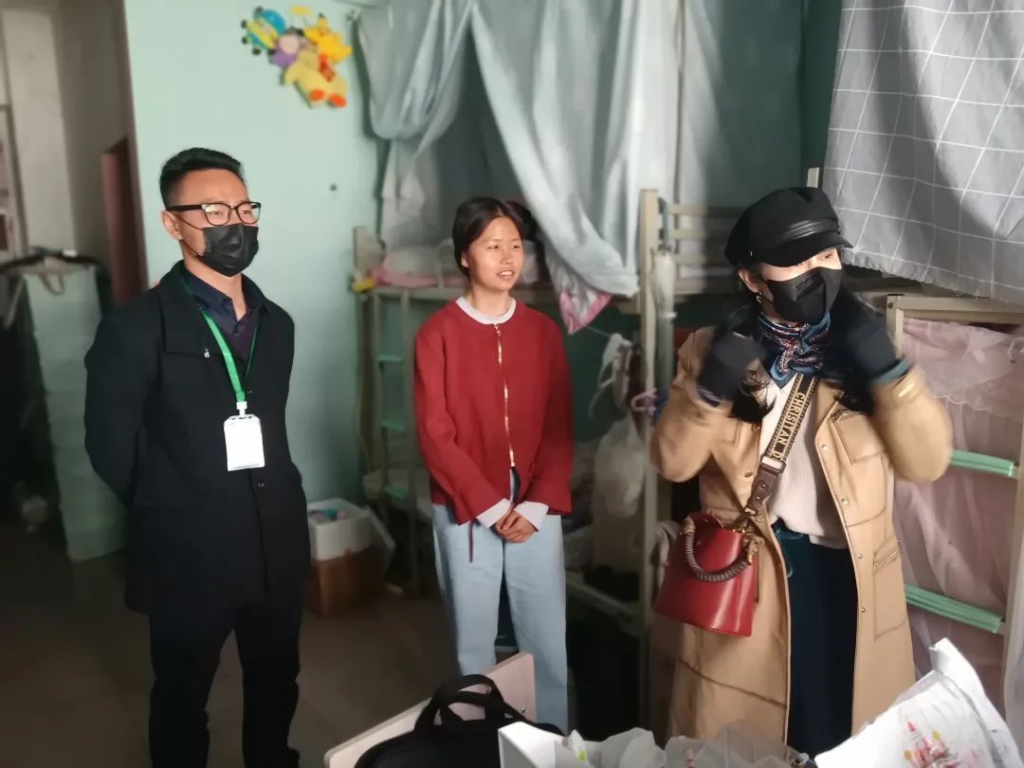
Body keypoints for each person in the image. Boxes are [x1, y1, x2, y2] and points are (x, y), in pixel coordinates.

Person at [649, 187, 952, 756]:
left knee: (842, 734)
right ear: (753, 278)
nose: (818, 271)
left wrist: (891, 375)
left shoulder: (866, 344)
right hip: (752, 575)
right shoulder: (711, 350)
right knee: (750, 744)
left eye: (828, 255)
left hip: (851, 579)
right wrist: (709, 391)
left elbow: (928, 461)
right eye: (796, 261)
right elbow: (673, 462)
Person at [84, 148, 308, 768]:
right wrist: (174, 505)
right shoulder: (135, 330)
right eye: (212, 210)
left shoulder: (278, 325)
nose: (234, 222)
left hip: (275, 540)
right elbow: (109, 447)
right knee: (183, 696)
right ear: (173, 224)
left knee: (277, 678)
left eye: (243, 208)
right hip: (188, 551)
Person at [413, 197, 573, 731]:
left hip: (535, 507)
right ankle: (474, 746)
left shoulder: (543, 332)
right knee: (473, 646)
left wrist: (537, 502)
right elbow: (435, 436)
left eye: (515, 246)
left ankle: (551, 747)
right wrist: (487, 504)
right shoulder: (437, 334)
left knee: (546, 642)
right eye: (492, 246)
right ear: (465, 255)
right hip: (467, 507)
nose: (507, 258)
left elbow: (559, 428)